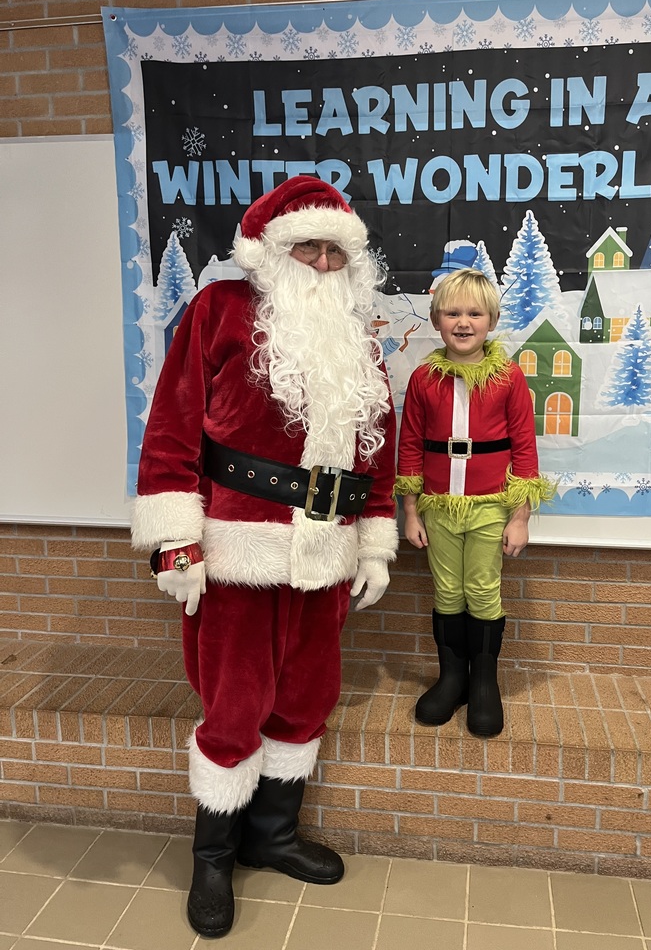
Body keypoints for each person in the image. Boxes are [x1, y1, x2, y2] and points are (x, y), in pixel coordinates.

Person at [130, 176, 398, 939]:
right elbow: (174, 430)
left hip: (326, 554)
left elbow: (369, 453)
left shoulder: (356, 336)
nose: (320, 262)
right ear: (272, 251)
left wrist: (374, 539)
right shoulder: (217, 312)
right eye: (306, 246)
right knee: (235, 704)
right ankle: (213, 856)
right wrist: (177, 541)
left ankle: (272, 836)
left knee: (306, 697)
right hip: (237, 550)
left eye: (333, 250)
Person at [394, 268, 554, 739]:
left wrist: (520, 516)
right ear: (436, 320)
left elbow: (525, 449)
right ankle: (452, 678)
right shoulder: (424, 378)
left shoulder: (508, 377)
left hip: (488, 506)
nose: (463, 322)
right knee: (447, 592)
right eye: (452, 313)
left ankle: (485, 680)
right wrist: (410, 510)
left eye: (474, 313)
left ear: (491, 320)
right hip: (439, 507)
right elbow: (409, 446)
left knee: (482, 590)